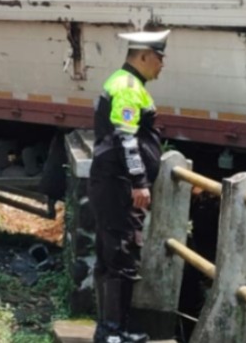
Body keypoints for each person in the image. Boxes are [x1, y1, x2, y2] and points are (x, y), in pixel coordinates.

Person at [88, 29, 169, 343]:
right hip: (119, 185)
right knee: (122, 255)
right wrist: (139, 181)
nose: (162, 65)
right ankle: (114, 332)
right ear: (144, 56)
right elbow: (126, 138)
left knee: (110, 254)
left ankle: (109, 329)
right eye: (160, 57)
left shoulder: (124, 82)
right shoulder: (128, 88)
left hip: (111, 182)